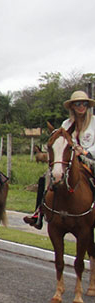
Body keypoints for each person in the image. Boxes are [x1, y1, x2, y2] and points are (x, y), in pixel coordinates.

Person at [24, 90, 95, 227]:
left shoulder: (94, 122)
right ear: (72, 107)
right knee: (45, 178)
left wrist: (85, 152)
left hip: (90, 159)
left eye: (84, 104)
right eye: (78, 104)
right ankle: (38, 212)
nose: (81, 106)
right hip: (69, 160)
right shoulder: (66, 124)